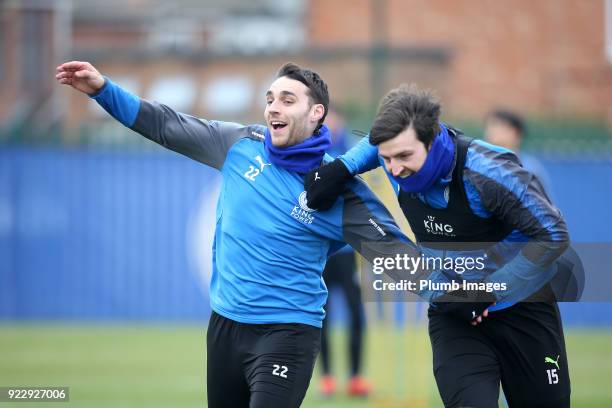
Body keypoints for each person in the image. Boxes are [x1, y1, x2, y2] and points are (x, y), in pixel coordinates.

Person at [55, 61, 421, 408]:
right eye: (270, 99)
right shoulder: (240, 144)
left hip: (288, 333)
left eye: (287, 100)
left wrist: (471, 293)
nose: (274, 108)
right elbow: (164, 124)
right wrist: (103, 90)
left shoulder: (338, 189)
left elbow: (401, 258)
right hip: (225, 329)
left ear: (316, 114)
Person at [304, 84, 572, 407]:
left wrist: (488, 291)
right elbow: (377, 146)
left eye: (404, 156)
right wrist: (341, 168)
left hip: (524, 311)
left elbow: (553, 235)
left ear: (432, 140)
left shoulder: (487, 171)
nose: (395, 169)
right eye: (387, 158)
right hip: (454, 315)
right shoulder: (393, 154)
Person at [317, 110, 370, 397]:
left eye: (334, 119)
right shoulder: (314, 150)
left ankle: (356, 377)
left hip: (348, 250)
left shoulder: (353, 149)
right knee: (320, 316)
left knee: (356, 314)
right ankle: (326, 377)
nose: (331, 126)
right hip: (322, 253)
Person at [485, 109, 553, 194]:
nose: (492, 131)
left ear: (516, 133)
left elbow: (541, 205)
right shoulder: (481, 165)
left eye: (498, 126)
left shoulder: (530, 169)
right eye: (490, 126)